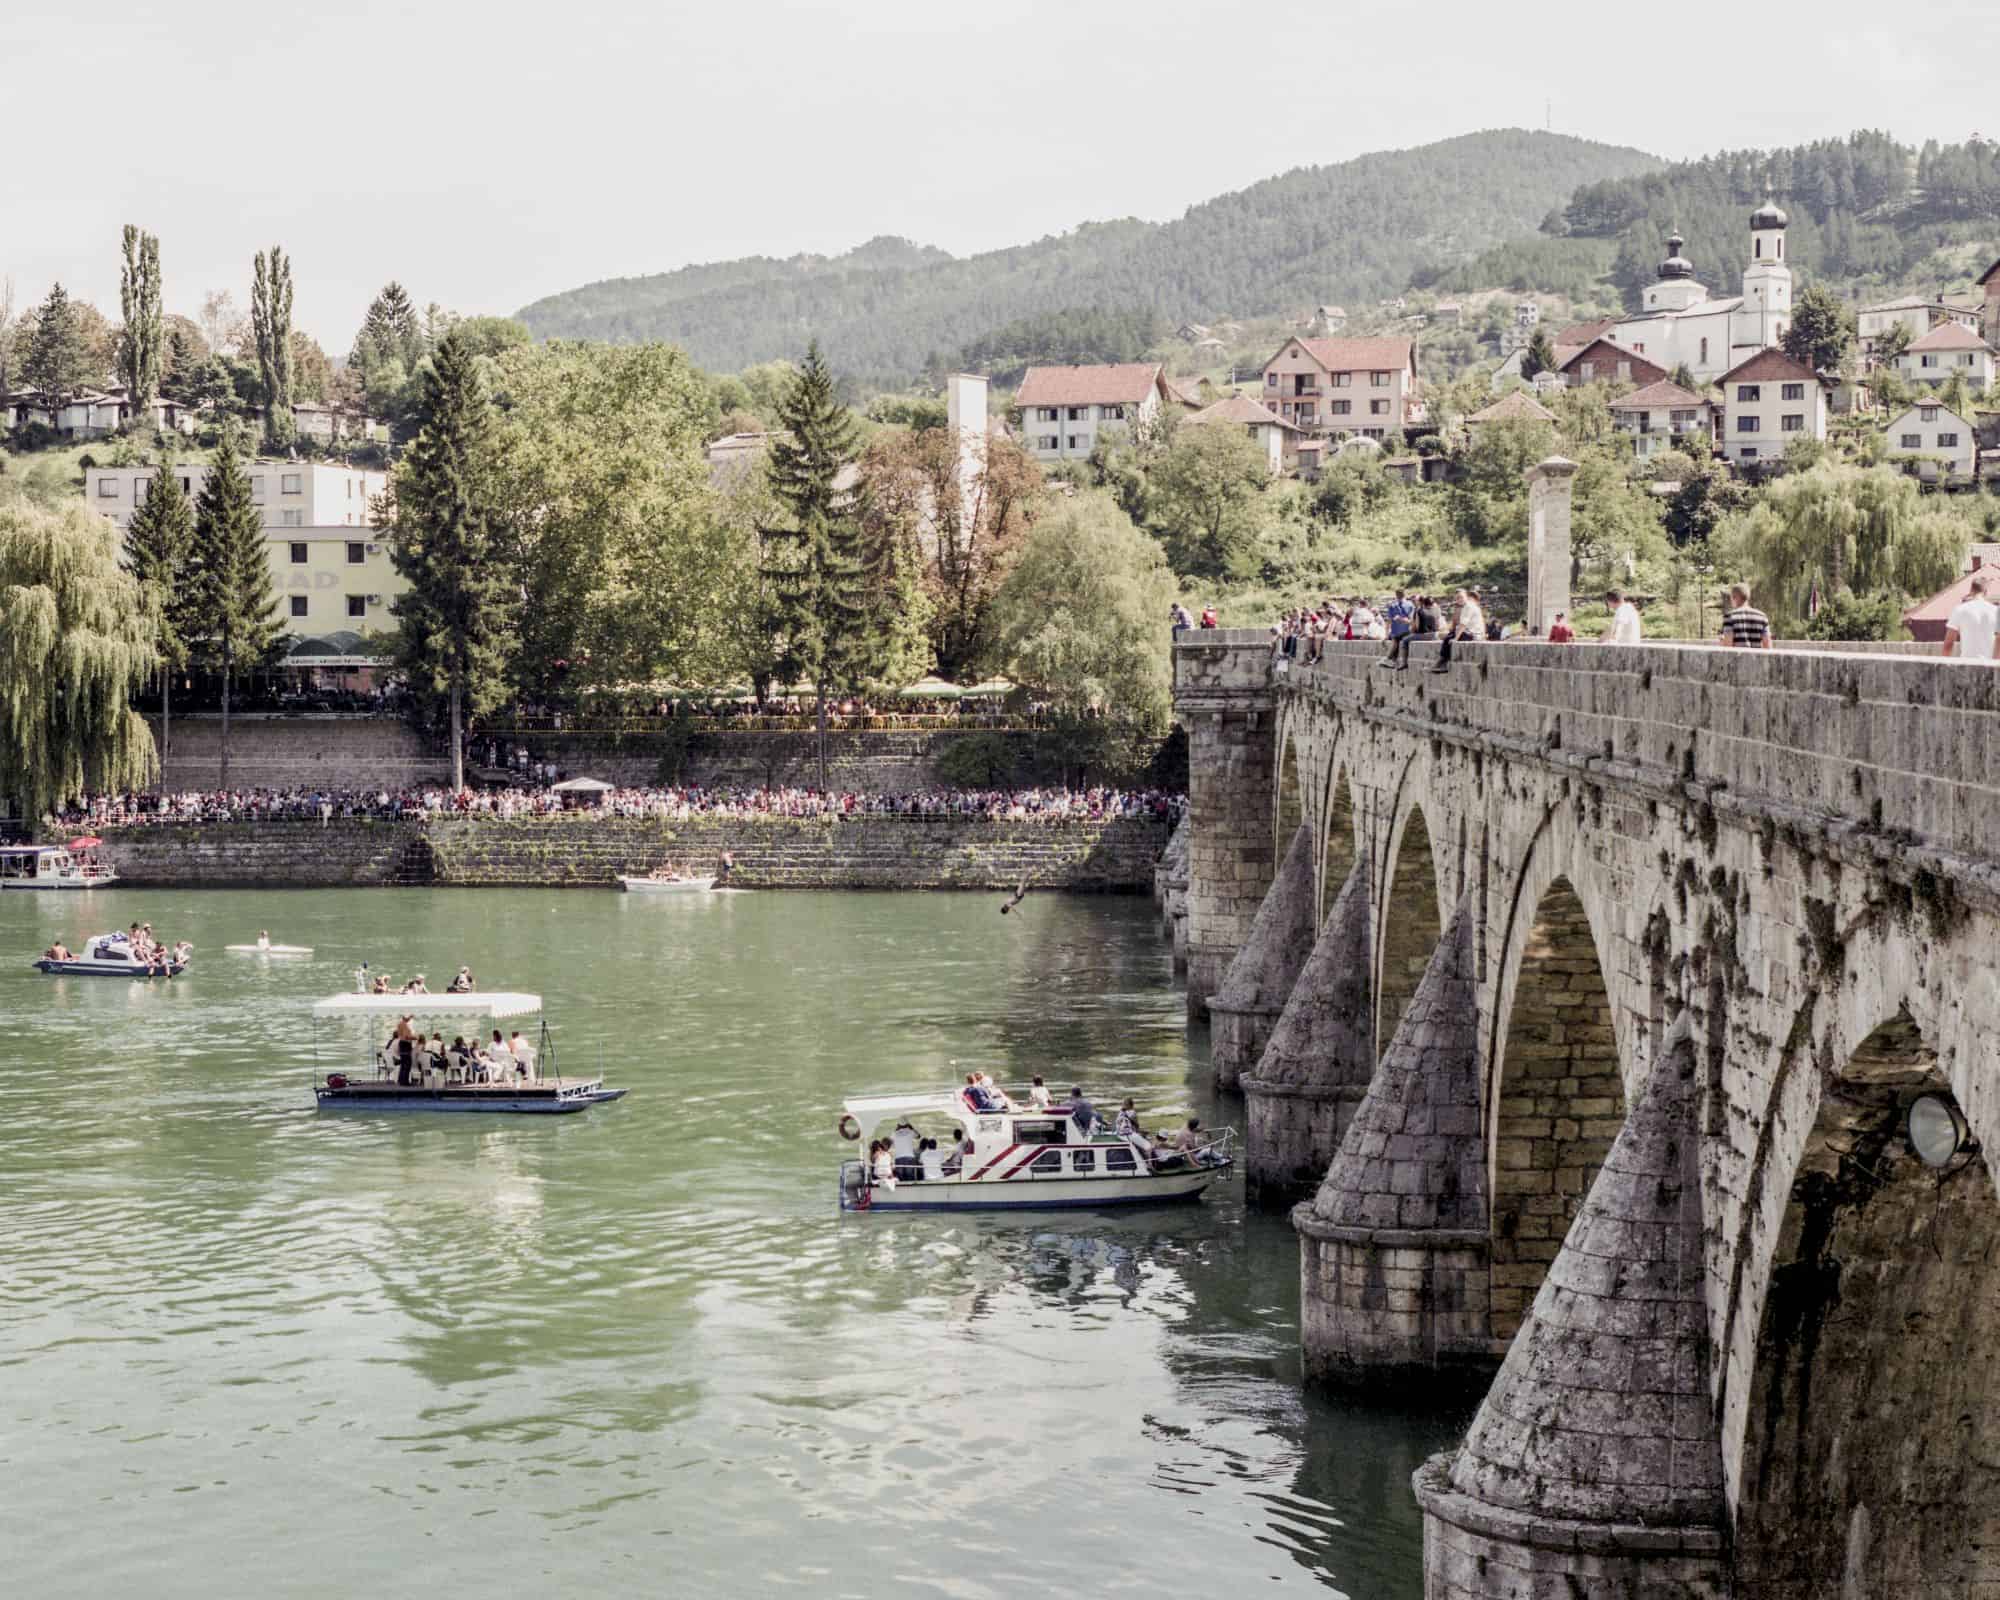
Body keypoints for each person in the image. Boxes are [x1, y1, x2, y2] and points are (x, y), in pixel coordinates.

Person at [1943, 568, 1999, 662]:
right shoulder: (1996, 611)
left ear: (1971, 591)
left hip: (1968, 665)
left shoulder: (1960, 609)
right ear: (1986, 592)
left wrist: (1943, 666)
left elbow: (1948, 644)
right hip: (1990, 666)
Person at [1430, 589, 1485, 673]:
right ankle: (1442, 662)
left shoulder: (1468, 607)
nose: (1459, 600)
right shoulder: (1468, 606)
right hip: (1473, 632)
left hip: (1473, 634)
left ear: (1466, 596)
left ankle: (1443, 663)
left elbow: (1463, 624)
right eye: (1457, 598)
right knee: (1449, 636)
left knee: (1449, 639)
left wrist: (1456, 638)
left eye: (1461, 597)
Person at [1718, 585, 1774, 649]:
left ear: (1734, 597)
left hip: (1737, 658)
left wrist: (1722, 642)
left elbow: (1728, 646)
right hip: (1756, 658)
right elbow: (1767, 645)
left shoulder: (1729, 617)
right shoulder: (1762, 617)